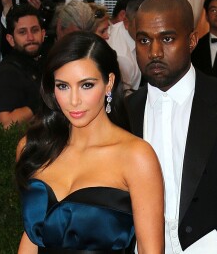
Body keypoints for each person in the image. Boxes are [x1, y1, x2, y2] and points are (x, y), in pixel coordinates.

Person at [15, 31, 164, 253]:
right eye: (63, 86)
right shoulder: (33, 147)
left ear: (109, 83)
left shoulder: (136, 156)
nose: (74, 100)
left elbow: (150, 250)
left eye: (86, 85)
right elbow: (32, 238)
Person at [126, 0, 217, 253]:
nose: (154, 52)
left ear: (192, 41)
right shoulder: (123, 112)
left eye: (167, 38)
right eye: (144, 40)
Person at [0, 3, 45, 129]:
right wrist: (42, 101)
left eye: (34, 30)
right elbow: (6, 124)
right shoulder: (7, 72)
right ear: (11, 39)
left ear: (43, 34)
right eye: (22, 32)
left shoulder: (48, 63)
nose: (30, 37)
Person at [108, 0, 145, 94]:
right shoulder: (121, 57)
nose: (148, 29)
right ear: (126, 23)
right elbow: (123, 98)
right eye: (141, 24)